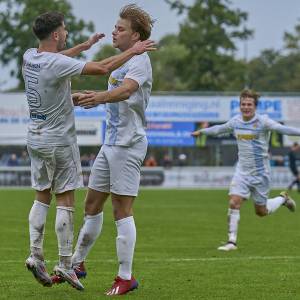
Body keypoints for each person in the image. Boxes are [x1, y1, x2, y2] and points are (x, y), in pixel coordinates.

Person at [22, 11, 155, 290]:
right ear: (56, 33)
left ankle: (125, 277)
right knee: (91, 205)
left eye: (120, 29)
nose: (114, 32)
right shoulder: (124, 59)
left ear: (136, 36)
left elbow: (126, 91)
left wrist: (98, 97)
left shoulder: (140, 60)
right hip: (109, 144)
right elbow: (97, 68)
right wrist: (92, 91)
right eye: (114, 26)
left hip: (128, 145)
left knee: (121, 210)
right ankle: (75, 264)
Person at [191, 89, 299, 251]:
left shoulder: (263, 122)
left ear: (255, 107)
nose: (246, 107)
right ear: (239, 106)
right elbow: (219, 129)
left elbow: (284, 129)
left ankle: (283, 199)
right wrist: (202, 132)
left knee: (261, 212)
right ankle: (231, 241)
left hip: (261, 174)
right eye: (243, 104)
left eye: (249, 104)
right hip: (242, 171)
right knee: (234, 202)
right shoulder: (236, 122)